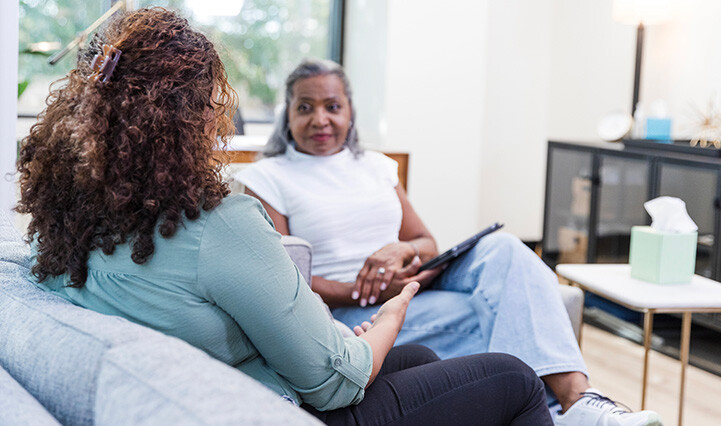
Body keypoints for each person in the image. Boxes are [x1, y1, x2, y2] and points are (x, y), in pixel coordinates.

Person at [16, 8, 554, 425]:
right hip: (278, 406)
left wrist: (356, 337)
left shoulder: (69, 217)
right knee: (514, 378)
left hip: (240, 382)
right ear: (191, 118)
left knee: (418, 357)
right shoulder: (219, 220)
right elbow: (332, 385)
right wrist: (387, 317)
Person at [234, 58, 664, 426]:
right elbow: (286, 274)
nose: (320, 119)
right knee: (504, 310)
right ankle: (562, 405)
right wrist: (361, 290)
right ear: (287, 115)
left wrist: (401, 250)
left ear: (350, 113)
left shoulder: (377, 168)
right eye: (305, 107)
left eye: (333, 106)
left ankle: (577, 402)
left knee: (507, 249)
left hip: (411, 291)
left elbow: (424, 240)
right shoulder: (268, 177)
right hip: (354, 314)